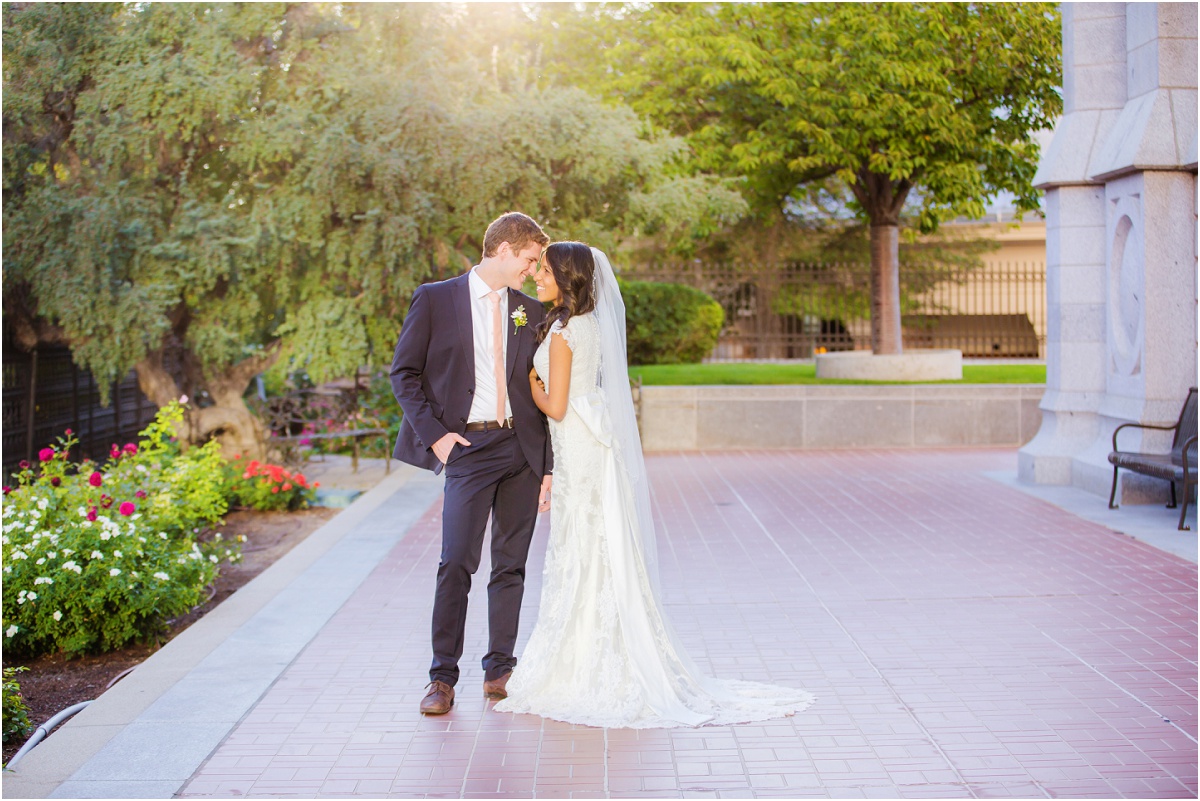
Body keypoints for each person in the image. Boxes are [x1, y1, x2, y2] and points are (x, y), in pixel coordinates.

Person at [494, 242, 815, 728]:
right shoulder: (585, 326)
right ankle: (600, 649)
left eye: (546, 270)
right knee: (596, 547)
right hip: (589, 442)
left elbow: (556, 406)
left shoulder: (564, 331)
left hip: (578, 444)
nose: (538, 276)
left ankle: (581, 662)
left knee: (581, 547)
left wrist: (528, 380)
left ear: (567, 277)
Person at [390, 212, 553, 715]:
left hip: (521, 450)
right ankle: (442, 678)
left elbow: (538, 387)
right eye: (528, 259)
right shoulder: (436, 299)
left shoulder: (528, 310)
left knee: (511, 564)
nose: (532, 270)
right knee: (456, 560)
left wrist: (547, 466)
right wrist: (437, 438)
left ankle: (499, 668)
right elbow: (404, 373)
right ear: (503, 250)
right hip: (466, 449)